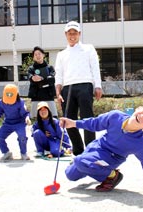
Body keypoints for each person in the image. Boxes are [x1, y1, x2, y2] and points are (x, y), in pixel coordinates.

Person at [60, 103, 143, 195]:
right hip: (96, 148)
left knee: (80, 161)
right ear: (138, 108)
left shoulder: (140, 143)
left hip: (111, 159)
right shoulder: (115, 116)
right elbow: (95, 123)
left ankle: (113, 175)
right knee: (70, 174)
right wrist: (73, 123)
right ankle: (88, 164)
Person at [55, 21, 103, 156]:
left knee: (87, 118)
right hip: (67, 88)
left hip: (85, 85)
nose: (72, 36)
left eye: (75, 33)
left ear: (79, 34)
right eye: (69, 33)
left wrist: (98, 86)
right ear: (65, 34)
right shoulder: (61, 54)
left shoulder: (88, 48)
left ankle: (90, 150)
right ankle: (78, 150)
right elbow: (58, 75)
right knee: (68, 119)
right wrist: (58, 93)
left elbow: (95, 67)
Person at [0, 84, 31, 161]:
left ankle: (23, 153)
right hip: (8, 123)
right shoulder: (1, 102)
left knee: (22, 137)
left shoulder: (20, 102)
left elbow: (25, 113)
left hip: (19, 123)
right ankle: (6, 152)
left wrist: (27, 118)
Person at [27, 46, 58, 118]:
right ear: (33, 57)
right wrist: (33, 78)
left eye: (39, 54)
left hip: (48, 95)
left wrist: (44, 79)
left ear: (43, 55)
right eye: (35, 54)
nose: (38, 56)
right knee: (35, 118)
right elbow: (30, 77)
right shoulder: (31, 68)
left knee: (53, 117)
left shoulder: (50, 67)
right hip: (36, 96)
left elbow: (52, 78)